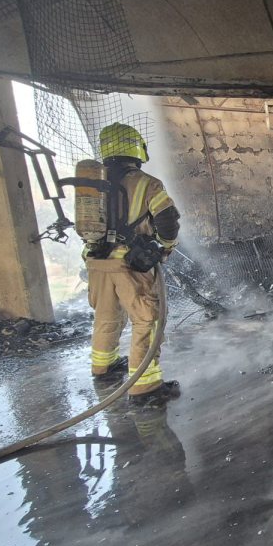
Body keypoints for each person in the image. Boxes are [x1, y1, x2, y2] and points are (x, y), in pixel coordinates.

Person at [86, 122, 181, 404]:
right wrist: (164, 248)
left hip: (95, 261)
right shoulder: (146, 182)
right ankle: (145, 386)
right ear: (135, 148)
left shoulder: (93, 184)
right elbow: (168, 219)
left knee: (106, 315)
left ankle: (103, 366)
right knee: (146, 320)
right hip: (128, 264)